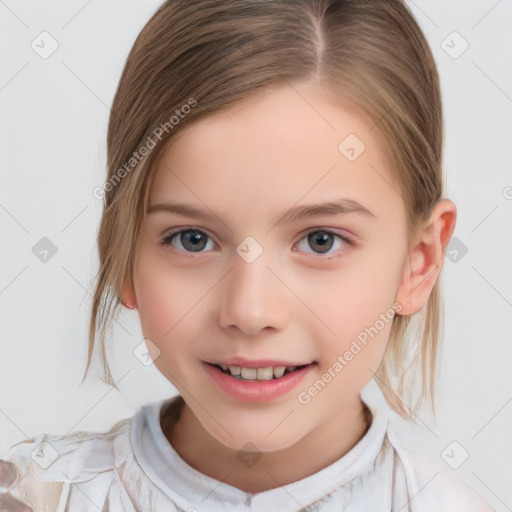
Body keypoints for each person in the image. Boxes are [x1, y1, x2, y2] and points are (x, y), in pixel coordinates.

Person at [0, 0, 495, 510]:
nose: (250, 311)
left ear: (419, 261)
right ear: (123, 251)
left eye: (320, 240)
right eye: (193, 239)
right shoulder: (32, 497)